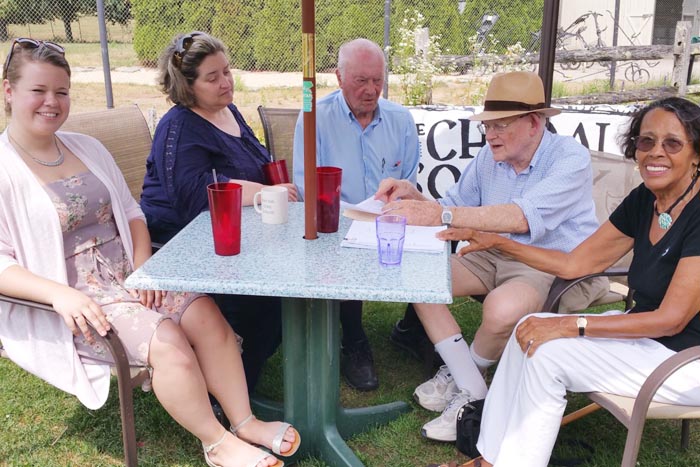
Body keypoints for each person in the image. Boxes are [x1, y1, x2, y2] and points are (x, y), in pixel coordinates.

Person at [0, 38, 299, 467]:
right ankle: (217, 443)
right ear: (8, 91)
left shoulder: (86, 147)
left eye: (62, 92)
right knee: (169, 338)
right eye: (39, 91)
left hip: (131, 272)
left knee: (204, 314)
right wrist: (57, 295)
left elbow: (131, 211)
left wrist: (144, 267)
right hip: (74, 297)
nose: (53, 102)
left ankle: (246, 421)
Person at [428, 96, 700, 467]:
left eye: (673, 143)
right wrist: (499, 242)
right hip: (652, 341)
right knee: (529, 328)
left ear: (696, 154)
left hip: (686, 360)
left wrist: (571, 324)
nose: (656, 153)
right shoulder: (647, 200)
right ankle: (489, 457)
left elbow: (672, 319)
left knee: (549, 352)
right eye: (646, 141)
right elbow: (575, 263)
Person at [374, 71, 608, 441]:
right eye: (487, 125)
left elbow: (520, 217)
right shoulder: (490, 155)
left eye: (500, 125)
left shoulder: (569, 157)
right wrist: (411, 196)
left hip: (554, 263)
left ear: (534, 123)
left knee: (500, 310)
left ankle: (465, 386)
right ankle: (470, 380)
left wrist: (442, 215)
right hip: (491, 251)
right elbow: (452, 206)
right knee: (416, 277)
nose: (490, 134)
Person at [141, 32, 298, 394]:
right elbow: (196, 197)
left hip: (237, 233)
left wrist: (274, 189)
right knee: (268, 301)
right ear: (187, 85)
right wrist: (264, 192)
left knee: (289, 290)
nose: (226, 82)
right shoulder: (179, 127)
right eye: (213, 77)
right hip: (182, 243)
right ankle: (228, 394)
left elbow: (255, 163)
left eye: (226, 71)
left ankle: (243, 371)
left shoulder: (228, 111)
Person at [292, 38, 420, 391]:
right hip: (336, 222)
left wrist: (394, 201)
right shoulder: (314, 117)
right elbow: (306, 187)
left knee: (436, 242)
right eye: (361, 81)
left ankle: (413, 328)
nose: (371, 90)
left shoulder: (401, 119)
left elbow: (408, 179)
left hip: (388, 218)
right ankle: (354, 339)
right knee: (337, 246)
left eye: (377, 80)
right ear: (338, 77)